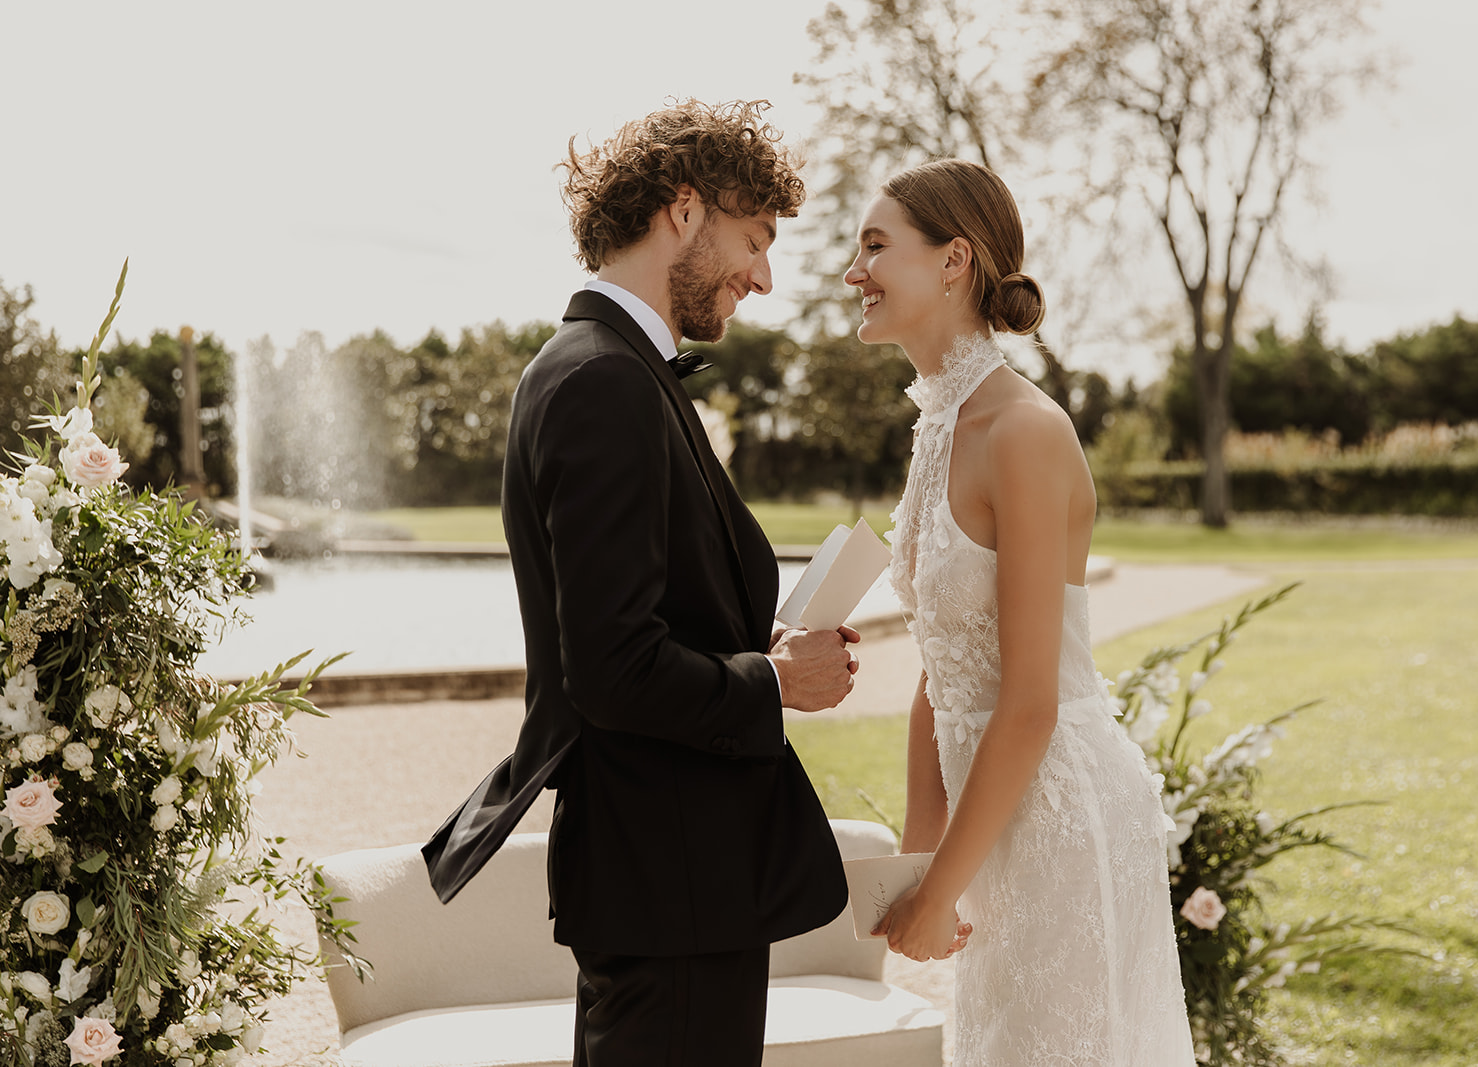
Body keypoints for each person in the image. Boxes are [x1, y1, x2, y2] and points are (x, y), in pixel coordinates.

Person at [424, 99, 858, 1067]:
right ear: (683, 209)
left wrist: (767, 656)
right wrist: (776, 683)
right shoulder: (601, 382)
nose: (765, 273)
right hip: (671, 882)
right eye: (756, 238)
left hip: (671, 881)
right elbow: (613, 667)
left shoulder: (605, 371)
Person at [845, 158, 1195, 1065]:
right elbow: (943, 670)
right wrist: (925, 867)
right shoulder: (938, 426)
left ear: (954, 260)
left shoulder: (1026, 432)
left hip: (1063, 824)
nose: (854, 272)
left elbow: (1031, 700)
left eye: (876, 246)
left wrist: (938, 888)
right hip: (988, 827)